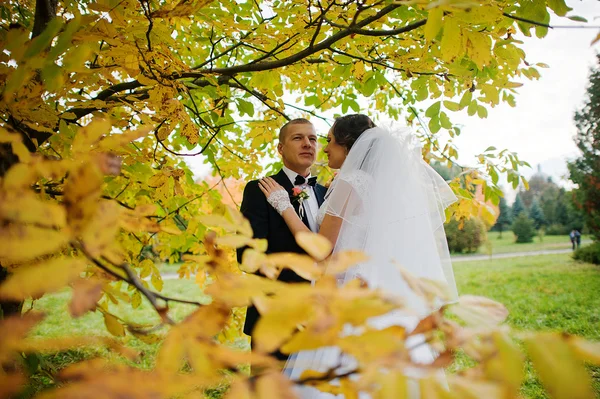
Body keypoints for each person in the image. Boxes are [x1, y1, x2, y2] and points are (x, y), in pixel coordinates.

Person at [258, 114, 458, 398]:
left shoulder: (351, 181)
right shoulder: (383, 188)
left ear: (347, 144)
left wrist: (284, 207)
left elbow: (322, 249)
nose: (324, 148)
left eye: (328, 141)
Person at [237, 118, 327, 362]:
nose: (307, 144)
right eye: (297, 138)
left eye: (312, 139)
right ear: (280, 148)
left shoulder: (327, 192)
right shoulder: (259, 189)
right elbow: (247, 257)